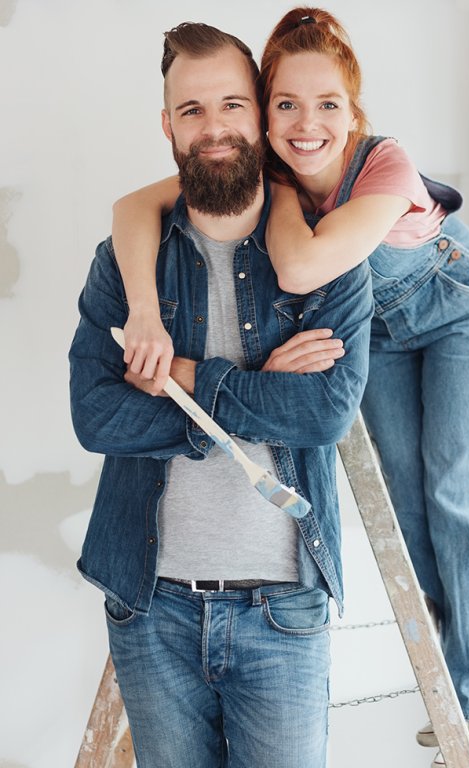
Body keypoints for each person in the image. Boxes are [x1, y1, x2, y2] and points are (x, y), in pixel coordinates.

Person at [109, 8, 469, 768]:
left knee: (461, 494)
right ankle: (459, 678)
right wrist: (141, 308)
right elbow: (134, 207)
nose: (307, 124)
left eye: (328, 104)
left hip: (461, 312)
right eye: (286, 105)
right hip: (385, 335)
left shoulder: (383, 166)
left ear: (354, 111)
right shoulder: (265, 169)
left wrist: (283, 203)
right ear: (264, 114)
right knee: (410, 508)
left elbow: (299, 269)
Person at [69, 20, 374, 768]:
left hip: (285, 609)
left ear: (262, 113)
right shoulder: (124, 264)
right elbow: (96, 413)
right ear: (168, 124)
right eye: (194, 110)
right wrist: (255, 394)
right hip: (153, 607)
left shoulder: (329, 257)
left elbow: (325, 412)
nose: (216, 129)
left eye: (234, 105)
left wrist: (187, 381)